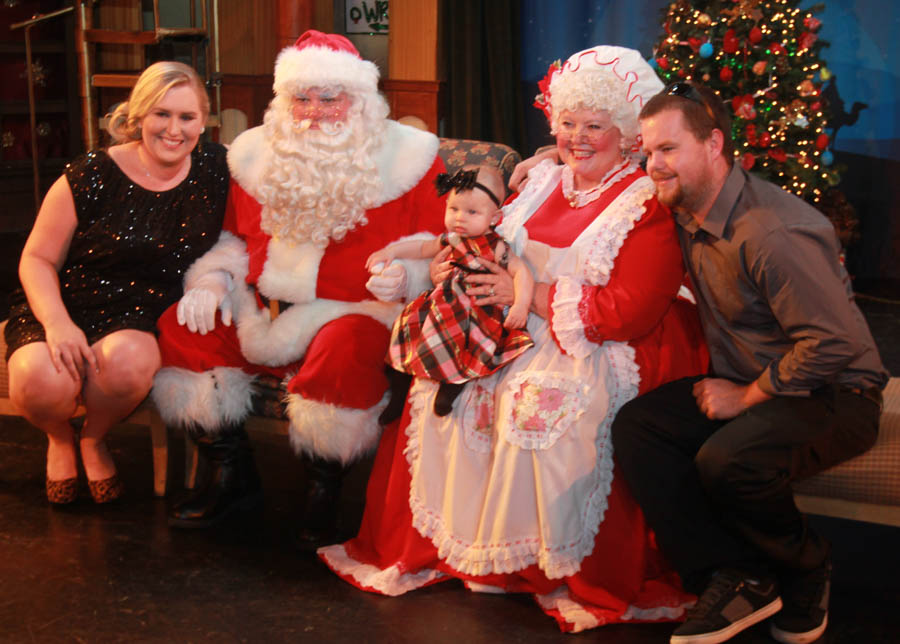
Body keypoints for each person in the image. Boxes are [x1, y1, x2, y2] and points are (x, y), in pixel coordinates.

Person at [319, 45, 709, 633]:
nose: (578, 138)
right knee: (447, 389)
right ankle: (473, 551)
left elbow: (625, 312)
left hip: (597, 340)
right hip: (513, 324)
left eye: (594, 126)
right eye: (568, 123)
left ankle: (544, 562)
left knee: (538, 398)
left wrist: (522, 297)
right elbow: (480, 241)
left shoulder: (646, 203)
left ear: (629, 134)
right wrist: (460, 274)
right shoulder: (538, 179)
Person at [610, 81, 888, 644]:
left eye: (667, 149)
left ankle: (807, 566)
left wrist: (746, 396)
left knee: (728, 459)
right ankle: (735, 573)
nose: (652, 164)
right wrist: (543, 162)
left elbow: (832, 346)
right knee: (638, 428)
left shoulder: (772, 231)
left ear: (713, 145)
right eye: (647, 150)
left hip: (835, 393)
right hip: (755, 376)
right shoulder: (687, 207)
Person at [150, 30, 447, 545]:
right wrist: (214, 280)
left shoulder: (411, 157)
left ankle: (323, 487)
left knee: (343, 346)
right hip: (265, 309)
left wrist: (408, 277)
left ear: (358, 101)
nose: (312, 112)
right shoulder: (253, 155)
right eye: (300, 99)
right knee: (183, 328)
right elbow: (235, 237)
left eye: (328, 99)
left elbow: (441, 242)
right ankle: (231, 473)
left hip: (358, 311)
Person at [5, 61, 228, 505]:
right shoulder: (92, 172)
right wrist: (57, 324)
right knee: (37, 381)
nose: (173, 129)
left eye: (187, 117)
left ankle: (92, 438)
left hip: (138, 313)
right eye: (161, 114)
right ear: (139, 116)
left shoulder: (216, 170)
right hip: (64, 305)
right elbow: (36, 258)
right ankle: (59, 439)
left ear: (204, 121)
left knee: (128, 364)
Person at [370, 165, 534, 420]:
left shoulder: (497, 246)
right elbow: (423, 248)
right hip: (440, 304)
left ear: (494, 217)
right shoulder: (451, 239)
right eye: (453, 209)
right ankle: (399, 389)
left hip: (474, 311)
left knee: (461, 338)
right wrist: (391, 251)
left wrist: (520, 305)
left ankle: (453, 384)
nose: (459, 218)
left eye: (471, 212)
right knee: (405, 327)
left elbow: (522, 273)